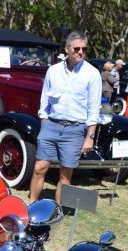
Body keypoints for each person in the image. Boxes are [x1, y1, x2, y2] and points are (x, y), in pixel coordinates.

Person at [28, 30, 100, 204]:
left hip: (75, 129)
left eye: (83, 49)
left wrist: (89, 137)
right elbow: (45, 99)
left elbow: (94, 109)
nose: (80, 52)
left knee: (65, 176)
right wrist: (44, 122)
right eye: (76, 48)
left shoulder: (92, 74)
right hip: (51, 125)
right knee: (39, 167)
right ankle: (31, 205)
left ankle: (57, 210)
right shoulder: (53, 71)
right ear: (67, 49)